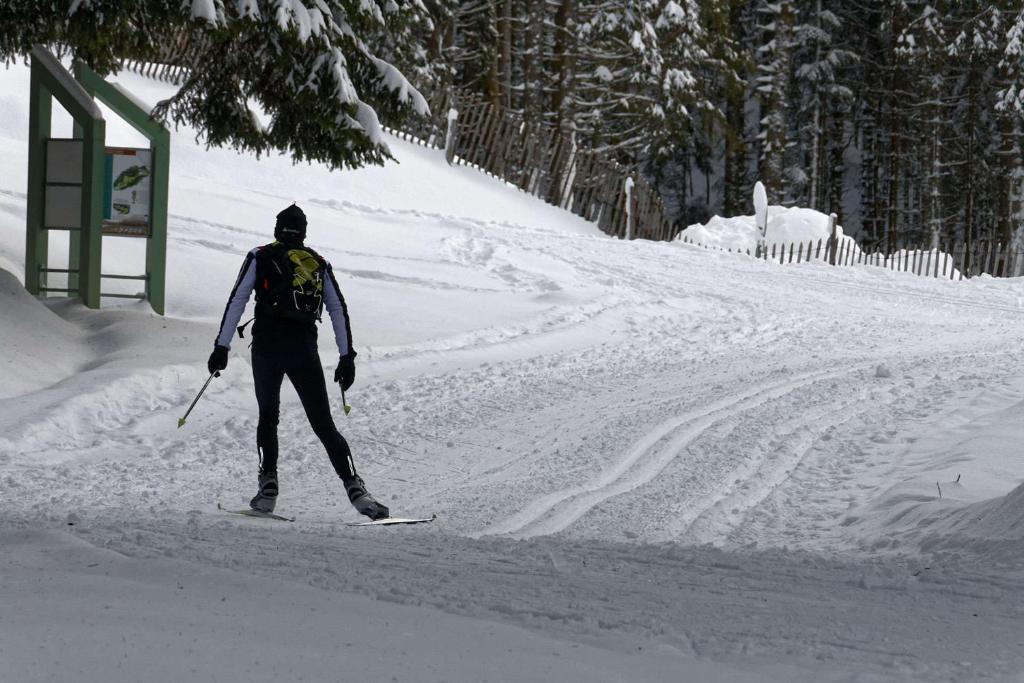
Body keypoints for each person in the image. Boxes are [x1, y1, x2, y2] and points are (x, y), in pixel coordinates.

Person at [207, 203, 389, 520]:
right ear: (304, 233)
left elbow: (237, 299)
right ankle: (355, 488)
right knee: (323, 425)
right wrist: (347, 357)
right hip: (303, 350)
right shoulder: (318, 263)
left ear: (277, 228)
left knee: (268, 416)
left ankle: (268, 486)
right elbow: (337, 309)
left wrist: (221, 346)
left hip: (265, 348)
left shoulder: (259, 256)